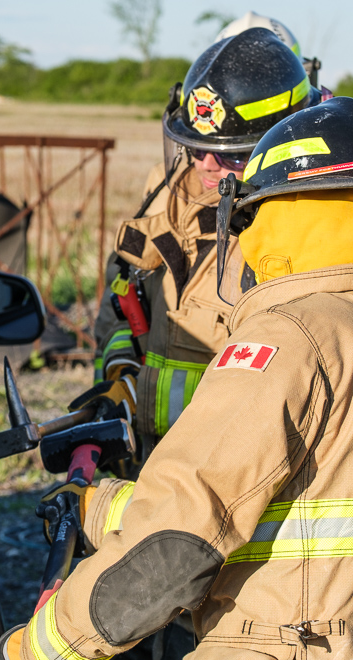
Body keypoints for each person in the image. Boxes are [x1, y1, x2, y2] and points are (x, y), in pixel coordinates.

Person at [0, 97, 353, 660]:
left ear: (276, 215)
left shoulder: (290, 340)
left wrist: (34, 658)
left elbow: (178, 539)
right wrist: (97, 508)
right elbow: (297, 523)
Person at [79, 26, 322, 465]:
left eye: (230, 153)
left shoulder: (305, 223)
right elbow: (118, 296)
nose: (206, 165)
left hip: (232, 464)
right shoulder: (166, 190)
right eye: (195, 146)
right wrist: (121, 373)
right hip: (143, 453)